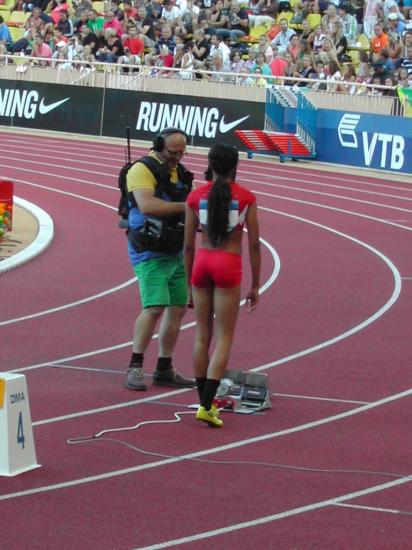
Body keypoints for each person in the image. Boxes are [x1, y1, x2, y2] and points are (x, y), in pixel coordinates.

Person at [184, 144, 261, 427]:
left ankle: (203, 400)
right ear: (235, 166)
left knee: (202, 335)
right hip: (229, 264)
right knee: (224, 338)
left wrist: (187, 283)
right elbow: (253, 243)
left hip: (202, 263)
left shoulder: (194, 197)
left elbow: (188, 246)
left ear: (211, 164)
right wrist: (256, 285)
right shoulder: (246, 198)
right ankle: (207, 405)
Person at [125, 128, 196, 391]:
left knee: (177, 308)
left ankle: (164, 367)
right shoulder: (141, 170)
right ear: (158, 146)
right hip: (149, 248)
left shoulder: (182, 173)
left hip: (175, 248)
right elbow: (147, 205)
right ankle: (135, 366)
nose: (177, 157)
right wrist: (188, 206)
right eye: (173, 152)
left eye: (182, 152)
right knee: (154, 307)